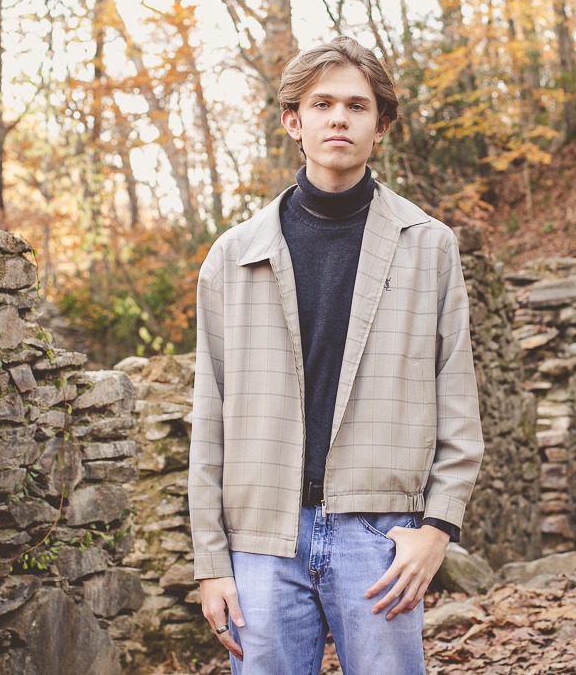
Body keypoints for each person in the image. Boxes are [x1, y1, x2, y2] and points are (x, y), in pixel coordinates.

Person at [187, 36, 485, 674]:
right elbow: (208, 420)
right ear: (294, 122)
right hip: (262, 537)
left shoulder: (428, 246)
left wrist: (437, 529)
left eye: (357, 105)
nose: (339, 118)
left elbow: (456, 396)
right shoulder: (232, 257)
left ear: (381, 125)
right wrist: (210, 563)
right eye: (322, 104)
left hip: (379, 537)